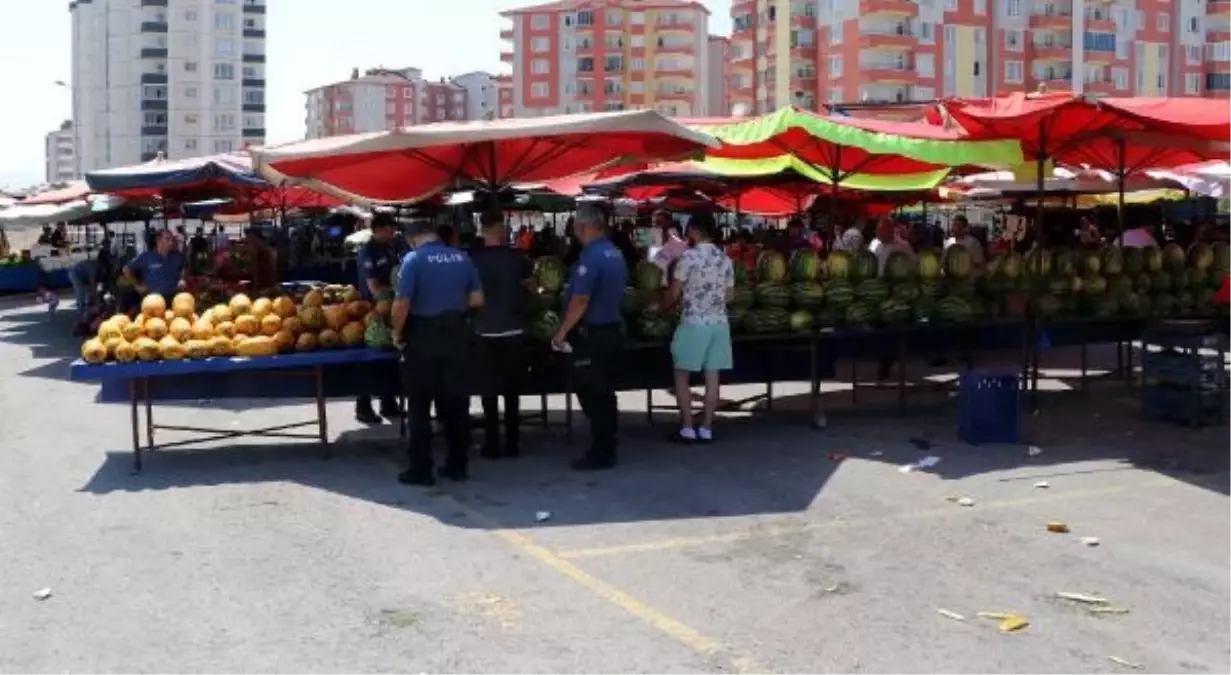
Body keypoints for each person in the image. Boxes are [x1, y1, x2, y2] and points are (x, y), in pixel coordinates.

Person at [392, 221, 484, 486]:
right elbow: (478, 300)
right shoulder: (462, 257)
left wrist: (398, 334)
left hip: (424, 337)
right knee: (456, 404)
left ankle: (421, 470)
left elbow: (401, 304)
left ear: (414, 239)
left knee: (420, 406)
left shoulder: (413, 260)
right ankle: (457, 465)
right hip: (457, 336)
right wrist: (453, 309)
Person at [552, 203, 628, 471]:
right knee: (605, 392)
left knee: (593, 393)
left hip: (592, 334)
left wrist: (562, 332)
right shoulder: (615, 253)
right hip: (611, 331)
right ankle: (607, 444)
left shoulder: (592, 256)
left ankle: (602, 450)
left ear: (584, 226)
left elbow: (581, 299)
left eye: (574, 227)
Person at [662, 212, 734, 444]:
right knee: (712, 376)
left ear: (694, 230)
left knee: (681, 376)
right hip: (719, 325)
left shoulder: (688, 258)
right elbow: (730, 296)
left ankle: (687, 428)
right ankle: (706, 428)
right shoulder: (725, 259)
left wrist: (660, 308)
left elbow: (673, 293)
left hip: (694, 324)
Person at [471, 210, 534, 459]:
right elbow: (532, 288)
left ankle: (492, 443)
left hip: (484, 330)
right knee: (511, 390)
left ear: (481, 229)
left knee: (488, 391)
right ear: (500, 227)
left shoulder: (472, 259)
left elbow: (468, 295)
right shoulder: (517, 258)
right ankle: (513, 443)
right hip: (513, 329)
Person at [355, 214, 405, 424]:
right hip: (372, 311)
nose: (393, 232)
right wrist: (395, 289)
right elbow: (373, 287)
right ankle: (363, 406)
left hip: (390, 309)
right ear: (378, 229)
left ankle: (388, 402)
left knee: (389, 360)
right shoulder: (368, 251)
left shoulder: (392, 247)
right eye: (389, 228)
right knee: (371, 361)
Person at [123, 229, 185, 302]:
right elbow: (126, 269)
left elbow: (183, 268)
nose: (171, 242)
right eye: (167, 239)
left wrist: (182, 279)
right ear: (158, 240)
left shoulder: (177, 256)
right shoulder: (146, 257)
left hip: (174, 298)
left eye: (172, 239)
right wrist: (137, 285)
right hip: (153, 300)